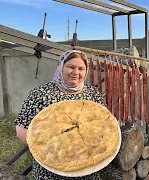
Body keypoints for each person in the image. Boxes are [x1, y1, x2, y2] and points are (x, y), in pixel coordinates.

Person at [14, 50, 109, 180]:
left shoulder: (93, 94)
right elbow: (21, 130)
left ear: (86, 71)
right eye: (71, 67)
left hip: (88, 171)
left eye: (81, 68)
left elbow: (105, 125)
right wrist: (49, 152)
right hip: (49, 172)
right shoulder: (40, 93)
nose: (76, 72)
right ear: (61, 67)